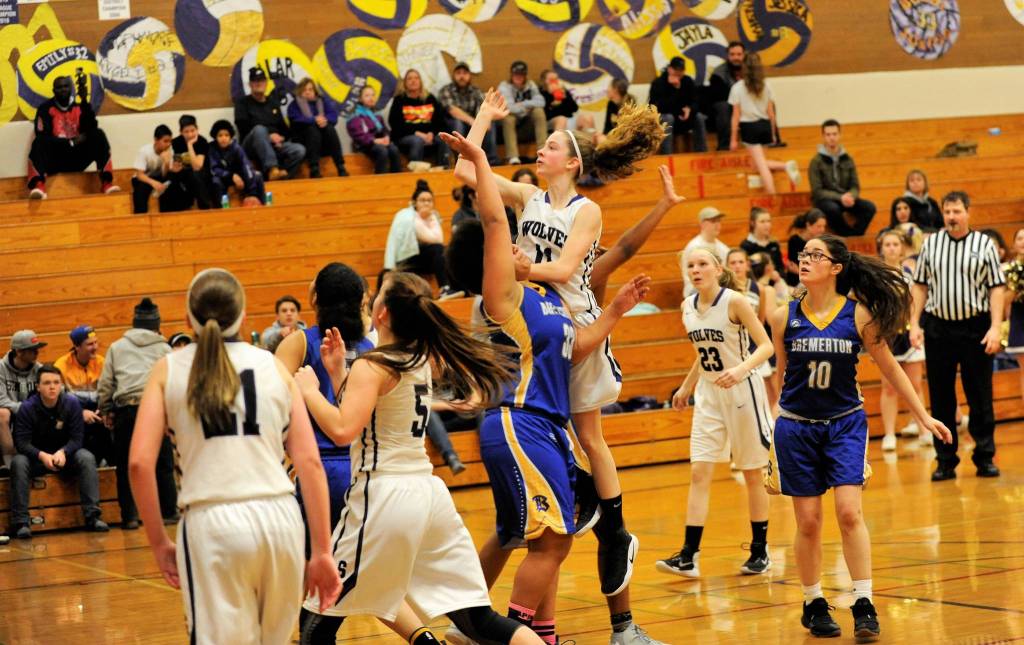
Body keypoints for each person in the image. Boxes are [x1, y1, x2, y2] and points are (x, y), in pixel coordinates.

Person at [442, 127, 655, 645]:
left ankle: (609, 534)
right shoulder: (527, 201)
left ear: (574, 163)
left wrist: (611, 308)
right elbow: (472, 181)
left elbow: (572, 268)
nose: (541, 150)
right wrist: (479, 130)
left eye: (552, 146)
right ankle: (514, 630)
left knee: (554, 501)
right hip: (527, 342)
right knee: (550, 533)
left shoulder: (584, 211)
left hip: (568, 314)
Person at [295, 272, 543, 645]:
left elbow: (344, 429)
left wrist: (310, 390)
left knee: (317, 618)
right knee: (479, 619)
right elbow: (376, 411)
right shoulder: (419, 359)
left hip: (384, 496)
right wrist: (337, 375)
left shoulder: (374, 364)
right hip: (429, 495)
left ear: (382, 314)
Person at [128, 268, 341, 644]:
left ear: (188, 318)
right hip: (280, 518)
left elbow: (139, 463)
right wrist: (322, 549)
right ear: (243, 316)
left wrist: (159, 542)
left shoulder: (168, 369)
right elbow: (308, 463)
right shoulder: (274, 366)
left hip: (212, 522)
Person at [767, 234, 951, 640]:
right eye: (803, 254)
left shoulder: (858, 315)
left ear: (836, 267)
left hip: (845, 424)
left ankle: (864, 600)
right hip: (796, 427)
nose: (806, 259)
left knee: (849, 512)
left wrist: (923, 417)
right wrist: (776, 420)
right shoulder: (783, 316)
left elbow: (890, 367)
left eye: (816, 255)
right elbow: (780, 375)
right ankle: (813, 602)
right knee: (809, 522)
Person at [658, 248, 774, 578]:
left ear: (716, 268)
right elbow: (703, 353)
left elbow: (765, 345)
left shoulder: (735, 301)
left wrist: (741, 370)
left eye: (702, 264)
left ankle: (760, 550)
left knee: (753, 472)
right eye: (690, 265)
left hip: (742, 390)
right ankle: (689, 555)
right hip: (709, 393)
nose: (695, 270)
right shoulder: (687, 308)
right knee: (699, 471)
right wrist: (686, 386)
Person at [910, 191, 1006, 481]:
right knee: (940, 397)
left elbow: (996, 287)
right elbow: (920, 286)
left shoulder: (984, 244)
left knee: (980, 394)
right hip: (939, 328)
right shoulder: (931, 245)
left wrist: (995, 326)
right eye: (947, 211)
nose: (951, 216)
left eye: (957, 211)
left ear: (968, 212)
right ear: (942, 213)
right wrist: (914, 323)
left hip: (975, 328)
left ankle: (984, 456)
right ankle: (945, 460)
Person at [275, 263, 371, 537]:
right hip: (362, 466)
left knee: (312, 564)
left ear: (315, 298)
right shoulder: (371, 348)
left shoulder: (300, 343)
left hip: (318, 464)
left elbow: (272, 404)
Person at [97, 298, 177, 529]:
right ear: (156, 324)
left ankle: (130, 517)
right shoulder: (164, 348)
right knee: (163, 463)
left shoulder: (117, 347)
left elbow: (106, 384)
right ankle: (169, 512)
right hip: (155, 408)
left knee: (126, 464)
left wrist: (106, 410)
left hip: (127, 410)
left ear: (134, 322)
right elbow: (172, 382)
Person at [10, 365, 109, 539]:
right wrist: (42, 455)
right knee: (18, 462)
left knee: (86, 457)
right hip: (37, 459)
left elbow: (78, 438)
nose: (52, 387)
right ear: (38, 386)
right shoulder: (27, 408)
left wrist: (63, 452)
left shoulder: (71, 404)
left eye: (56, 382)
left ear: (61, 385)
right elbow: (21, 443)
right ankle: (21, 522)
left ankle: (93, 516)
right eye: (47, 383)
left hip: (65, 457)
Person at [876, 229, 929, 451]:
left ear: (902, 248)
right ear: (881, 249)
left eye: (895, 244)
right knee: (888, 387)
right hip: (885, 336)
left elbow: (915, 303)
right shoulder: (875, 277)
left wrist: (914, 325)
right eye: (887, 245)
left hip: (908, 333)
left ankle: (924, 429)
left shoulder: (910, 275)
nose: (891, 248)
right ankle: (889, 434)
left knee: (915, 384)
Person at [26, 76, 119, 199]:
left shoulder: (80, 107)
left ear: (71, 89)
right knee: (39, 142)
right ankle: (39, 185)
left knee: (98, 134)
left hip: (77, 158)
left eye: (66, 86)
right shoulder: (45, 109)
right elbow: (42, 135)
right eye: (59, 87)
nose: (63, 89)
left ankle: (107, 183)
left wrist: (85, 101)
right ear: (54, 91)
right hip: (55, 159)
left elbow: (91, 129)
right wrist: (69, 142)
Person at [728, 53, 800, 195]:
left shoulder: (737, 88)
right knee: (756, 164)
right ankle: (785, 166)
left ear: (744, 67)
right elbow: (771, 113)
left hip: (750, 128)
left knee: (761, 167)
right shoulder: (766, 86)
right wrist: (773, 133)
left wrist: (733, 139)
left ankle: (772, 196)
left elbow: (735, 116)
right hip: (765, 126)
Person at [53, 325, 112, 466]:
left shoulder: (101, 362)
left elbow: (109, 390)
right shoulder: (62, 365)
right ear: (77, 347)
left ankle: (109, 461)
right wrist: (80, 413)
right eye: (90, 344)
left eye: (96, 342)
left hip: (98, 410)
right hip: (73, 412)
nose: (95, 347)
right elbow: (57, 399)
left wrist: (104, 409)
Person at [234, 67, 305, 180]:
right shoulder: (242, 103)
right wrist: (268, 137)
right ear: (250, 84)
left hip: (274, 145)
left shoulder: (273, 103)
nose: (259, 83)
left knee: (299, 150)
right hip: (251, 145)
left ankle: (280, 177)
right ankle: (272, 168)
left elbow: (284, 129)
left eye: (261, 80)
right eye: (255, 81)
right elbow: (243, 127)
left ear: (266, 83)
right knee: (259, 129)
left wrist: (280, 138)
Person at [808, 120, 876, 236]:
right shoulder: (816, 161)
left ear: (839, 135)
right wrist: (840, 197)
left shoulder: (848, 159)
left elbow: (855, 186)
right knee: (832, 209)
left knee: (869, 207)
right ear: (823, 136)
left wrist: (851, 196)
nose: (832, 138)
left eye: (834, 134)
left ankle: (855, 235)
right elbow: (817, 191)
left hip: (845, 198)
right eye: (828, 135)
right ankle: (848, 236)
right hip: (826, 200)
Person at [385, 179, 450, 291]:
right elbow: (392, 241)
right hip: (407, 260)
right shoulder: (404, 216)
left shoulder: (434, 216)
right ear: (415, 202)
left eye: (429, 200)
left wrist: (431, 219)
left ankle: (454, 288)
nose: (426, 203)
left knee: (445, 251)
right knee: (438, 249)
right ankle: (444, 287)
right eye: (422, 200)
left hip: (425, 258)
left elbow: (439, 239)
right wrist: (389, 267)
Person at [0, 331, 45, 475]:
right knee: (2, 413)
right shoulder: (1, 368)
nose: (37, 352)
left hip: (33, 415)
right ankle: (10, 463)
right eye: (32, 349)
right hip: (12, 413)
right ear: (19, 351)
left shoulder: (39, 369)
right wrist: (25, 409)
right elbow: (1, 400)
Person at [439, 61, 499, 165]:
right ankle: (461, 160)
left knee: (490, 123)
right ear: (453, 75)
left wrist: (485, 120)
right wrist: (472, 121)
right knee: (458, 123)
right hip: (452, 125)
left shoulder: (475, 91)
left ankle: (492, 160)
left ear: (469, 76)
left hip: (472, 123)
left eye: (465, 73)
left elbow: (483, 109)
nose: (462, 76)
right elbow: (452, 110)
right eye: (458, 73)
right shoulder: (446, 90)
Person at [287, 77, 347, 178]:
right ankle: (314, 168)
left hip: (323, 143)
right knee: (312, 128)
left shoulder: (322, 101)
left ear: (315, 91)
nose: (307, 92)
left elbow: (333, 115)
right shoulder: (294, 105)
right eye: (304, 90)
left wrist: (324, 119)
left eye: (310, 89)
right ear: (300, 91)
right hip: (305, 142)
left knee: (329, 128)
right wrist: (314, 120)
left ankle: (340, 166)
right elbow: (296, 120)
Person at [388, 69, 449, 169]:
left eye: (416, 78)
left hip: (429, 135)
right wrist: (418, 133)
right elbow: (395, 124)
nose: (413, 81)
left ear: (420, 81)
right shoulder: (399, 100)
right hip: (406, 137)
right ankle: (416, 174)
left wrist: (431, 133)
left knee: (443, 139)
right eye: (409, 79)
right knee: (417, 140)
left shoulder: (430, 98)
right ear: (405, 83)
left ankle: (442, 170)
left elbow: (440, 122)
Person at [649, 57, 707, 154]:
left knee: (699, 117)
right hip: (665, 117)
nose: (678, 73)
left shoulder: (687, 81)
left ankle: (701, 153)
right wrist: (676, 89)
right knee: (668, 118)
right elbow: (658, 107)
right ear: (669, 69)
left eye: (681, 70)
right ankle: (667, 156)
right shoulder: (658, 83)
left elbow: (696, 101)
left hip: (684, 118)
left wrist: (690, 109)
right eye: (676, 70)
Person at [498, 61, 548, 165]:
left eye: (521, 74)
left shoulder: (530, 85)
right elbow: (509, 107)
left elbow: (541, 102)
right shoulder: (504, 86)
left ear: (525, 75)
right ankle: (513, 156)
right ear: (511, 74)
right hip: (513, 119)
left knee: (539, 111)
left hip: (527, 120)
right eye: (516, 74)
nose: (518, 77)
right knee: (508, 117)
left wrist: (523, 103)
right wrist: (527, 107)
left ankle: (543, 152)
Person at [208, 119, 265, 207]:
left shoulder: (236, 148)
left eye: (226, 135)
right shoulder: (212, 148)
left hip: (239, 177)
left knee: (257, 175)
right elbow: (214, 169)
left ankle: (261, 204)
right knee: (215, 181)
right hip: (223, 177)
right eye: (220, 135)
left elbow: (246, 165)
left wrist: (252, 192)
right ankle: (222, 207)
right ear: (215, 137)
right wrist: (231, 176)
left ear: (230, 137)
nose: (223, 138)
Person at [347, 86, 402, 174]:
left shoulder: (376, 113)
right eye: (367, 95)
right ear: (360, 99)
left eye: (373, 95)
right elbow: (358, 136)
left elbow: (384, 129)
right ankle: (380, 180)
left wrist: (386, 137)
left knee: (394, 150)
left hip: (378, 142)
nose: (371, 98)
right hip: (364, 144)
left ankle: (396, 179)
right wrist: (374, 140)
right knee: (382, 151)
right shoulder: (355, 114)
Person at [680, 207, 730, 296]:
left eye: (719, 221)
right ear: (702, 224)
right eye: (713, 221)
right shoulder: (694, 247)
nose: (717, 225)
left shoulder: (724, 248)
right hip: (695, 289)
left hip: (718, 289)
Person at [166, 114, 212, 210]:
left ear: (197, 129)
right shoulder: (175, 142)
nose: (190, 134)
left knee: (195, 175)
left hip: (202, 173)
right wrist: (173, 167)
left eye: (192, 131)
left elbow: (197, 166)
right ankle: (177, 210)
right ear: (181, 132)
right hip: (184, 173)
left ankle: (204, 208)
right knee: (171, 177)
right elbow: (172, 162)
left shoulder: (202, 141)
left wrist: (190, 145)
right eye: (186, 132)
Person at [706, 41, 746, 151]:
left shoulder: (751, 70)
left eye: (739, 54)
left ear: (744, 55)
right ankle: (724, 146)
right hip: (728, 106)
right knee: (722, 107)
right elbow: (720, 97)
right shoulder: (718, 73)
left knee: (769, 103)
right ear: (728, 56)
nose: (735, 57)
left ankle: (773, 141)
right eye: (732, 54)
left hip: (747, 104)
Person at [131, 125, 174, 214]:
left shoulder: (170, 151)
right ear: (156, 140)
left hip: (158, 177)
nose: (168, 144)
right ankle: (140, 216)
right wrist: (153, 183)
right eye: (165, 141)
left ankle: (167, 215)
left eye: (170, 141)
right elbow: (139, 175)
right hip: (143, 178)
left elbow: (164, 175)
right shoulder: (145, 151)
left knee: (172, 185)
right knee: (141, 190)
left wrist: (166, 163)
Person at [539, 69, 594, 133]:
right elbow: (545, 114)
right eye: (551, 79)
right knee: (561, 119)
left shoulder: (562, 89)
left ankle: (589, 141)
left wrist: (564, 97)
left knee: (588, 117)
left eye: (556, 79)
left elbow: (575, 108)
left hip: (568, 118)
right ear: (544, 81)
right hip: (553, 121)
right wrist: (551, 96)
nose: (554, 81)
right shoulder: (541, 92)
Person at [1005, 228, 1024, 406]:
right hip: (1020, 321)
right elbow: (1004, 301)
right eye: (1019, 238)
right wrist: (1016, 283)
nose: (1023, 242)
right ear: (1014, 244)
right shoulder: (1009, 269)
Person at [785, 209, 827, 286]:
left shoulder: (821, 242)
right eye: (819, 226)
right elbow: (794, 266)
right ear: (808, 225)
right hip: (797, 281)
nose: (822, 230)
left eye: (824, 226)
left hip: (815, 279)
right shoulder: (794, 241)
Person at [741, 206, 785, 273]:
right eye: (762, 222)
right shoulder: (745, 246)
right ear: (752, 223)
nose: (767, 225)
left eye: (768, 221)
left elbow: (780, 268)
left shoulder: (774, 244)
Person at [597, 78, 635, 146]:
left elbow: (629, 131)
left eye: (609, 87)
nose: (607, 90)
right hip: (614, 138)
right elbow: (607, 126)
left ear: (615, 89)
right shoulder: (611, 104)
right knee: (598, 137)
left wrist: (608, 140)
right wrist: (603, 136)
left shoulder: (629, 104)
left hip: (626, 141)